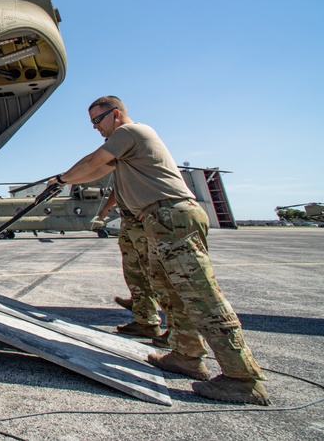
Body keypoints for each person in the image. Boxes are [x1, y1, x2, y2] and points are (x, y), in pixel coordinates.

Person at [51, 96, 270, 406]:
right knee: (171, 293)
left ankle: (243, 378)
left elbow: (92, 162)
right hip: (159, 220)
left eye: (97, 121)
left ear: (115, 114)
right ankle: (187, 355)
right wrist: (61, 182)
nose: (95, 128)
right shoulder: (125, 146)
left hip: (171, 217)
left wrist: (62, 178)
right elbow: (95, 173)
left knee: (200, 295)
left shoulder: (128, 133)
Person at [97, 188, 170, 348]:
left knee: (157, 274)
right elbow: (118, 187)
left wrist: (64, 179)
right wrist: (106, 208)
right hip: (129, 219)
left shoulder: (135, 163)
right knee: (134, 272)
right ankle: (146, 321)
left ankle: (179, 331)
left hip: (144, 218)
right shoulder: (121, 169)